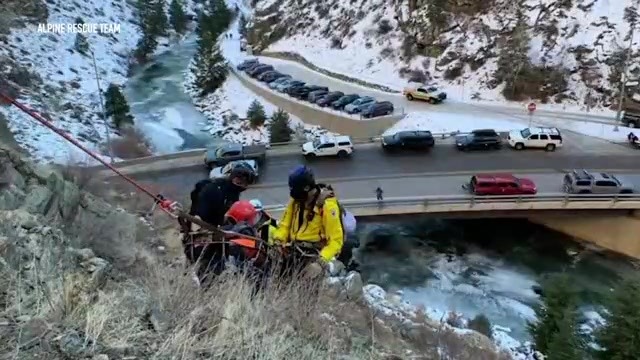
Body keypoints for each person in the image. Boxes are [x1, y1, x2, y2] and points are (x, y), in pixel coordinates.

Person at [272, 165, 344, 278]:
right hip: (294, 251)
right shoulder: (296, 200)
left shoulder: (328, 206)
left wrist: (320, 263)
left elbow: (336, 241)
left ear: (306, 188)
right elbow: (285, 225)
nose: (293, 195)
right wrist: (278, 240)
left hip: (314, 255)